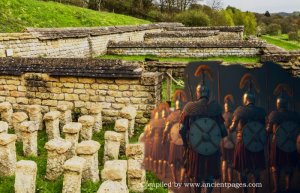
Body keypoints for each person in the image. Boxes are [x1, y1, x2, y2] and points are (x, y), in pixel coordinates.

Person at [180, 65, 227, 193]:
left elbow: (182, 130)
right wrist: (213, 138)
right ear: (209, 93)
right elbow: (223, 132)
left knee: (197, 176)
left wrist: (186, 144)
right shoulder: (215, 109)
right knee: (210, 176)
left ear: (197, 92)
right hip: (211, 150)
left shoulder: (190, 108)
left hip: (195, 149)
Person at [230, 73, 266, 193]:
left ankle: (245, 191)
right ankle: (255, 191)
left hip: (243, 144)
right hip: (257, 144)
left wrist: (229, 128)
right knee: (256, 170)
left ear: (245, 99)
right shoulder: (261, 112)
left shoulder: (240, 111)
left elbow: (232, 127)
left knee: (243, 169)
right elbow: (265, 129)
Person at [266, 83, 300, 193]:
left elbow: (268, 129)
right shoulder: (294, 115)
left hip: (277, 143)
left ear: (278, 104)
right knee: (289, 166)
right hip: (291, 143)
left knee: (275, 166)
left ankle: (276, 188)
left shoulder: (274, 115)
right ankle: (288, 186)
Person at [162, 90, 187, 182]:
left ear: (176, 105)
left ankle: (175, 180)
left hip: (173, 142)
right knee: (183, 163)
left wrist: (164, 139)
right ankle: (182, 180)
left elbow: (166, 130)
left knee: (172, 162)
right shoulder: (186, 115)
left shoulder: (171, 116)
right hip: (184, 143)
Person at [149, 103, 170, 174]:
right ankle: (163, 172)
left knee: (155, 157)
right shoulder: (165, 122)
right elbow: (167, 131)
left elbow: (151, 133)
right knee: (163, 158)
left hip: (156, 140)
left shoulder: (156, 123)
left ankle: (156, 171)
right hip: (163, 140)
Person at [221, 94, 235, 183]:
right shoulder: (233, 115)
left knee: (225, 160)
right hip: (229, 140)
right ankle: (229, 180)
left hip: (226, 140)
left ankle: (225, 179)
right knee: (228, 161)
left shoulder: (222, 116)